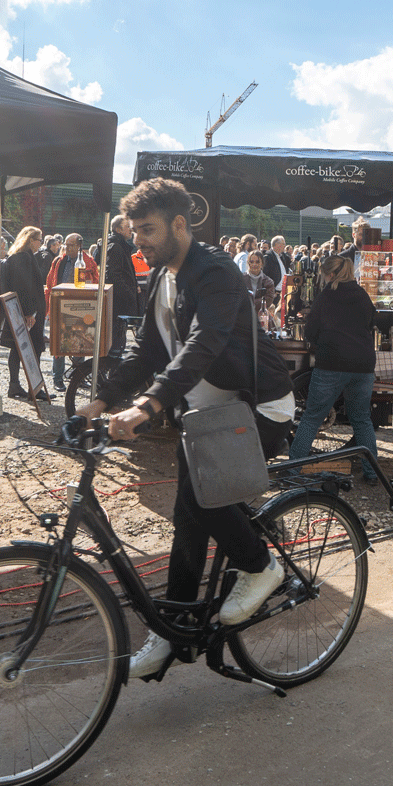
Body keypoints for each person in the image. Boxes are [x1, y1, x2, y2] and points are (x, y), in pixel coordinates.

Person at [87, 177, 296, 680]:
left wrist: (148, 405)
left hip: (255, 408)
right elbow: (147, 349)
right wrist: (98, 401)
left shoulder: (216, 271)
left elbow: (204, 344)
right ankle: (173, 629)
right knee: (188, 520)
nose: (139, 240)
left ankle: (262, 566)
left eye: (149, 230)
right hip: (203, 419)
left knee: (204, 500)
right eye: (134, 231)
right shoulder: (162, 275)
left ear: (180, 224)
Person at [288, 250, 384, 487]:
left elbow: (310, 332)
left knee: (312, 417)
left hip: (332, 362)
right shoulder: (362, 295)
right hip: (362, 364)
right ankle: (372, 474)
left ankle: (291, 471)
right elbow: (372, 322)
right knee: (361, 419)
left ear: (330, 274)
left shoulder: (326, 297)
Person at [46, 232, 102, 390]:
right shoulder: (59, 261)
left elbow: (95, 283)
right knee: (58, 344)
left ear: (79, 246)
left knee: (80, 342)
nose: (67, 248)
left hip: (80, 307)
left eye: (71, 245)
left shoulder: (88, 262)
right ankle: (57, 378)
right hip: (59, 306)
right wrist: (49, 306)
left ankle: (78, 377)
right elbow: (50, 283)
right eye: (66, 244)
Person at [0, 226, 50, 400]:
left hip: (21, 311)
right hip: (27, 313)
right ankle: (32, 388)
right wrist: (29, 313)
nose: (41, 243)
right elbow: (24, 287)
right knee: (32, 349)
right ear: (30, 240)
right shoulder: (23, 258)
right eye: (39, 240)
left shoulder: (20, 256)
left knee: (17, 348)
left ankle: (17, 386)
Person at [94, 216, 142, 354]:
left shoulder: (120, 245)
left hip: (119, 303)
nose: (131, 230)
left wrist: (134, 286)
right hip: (119, 304)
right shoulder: (116, 246)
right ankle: (112, 373)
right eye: (128, 226)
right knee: (116, 345)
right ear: (119, 229)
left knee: (117, 342)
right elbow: (114, 276)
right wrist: (129, 293)